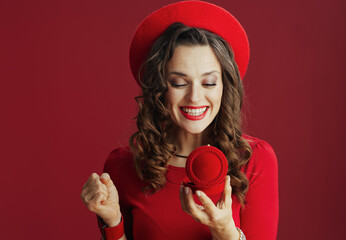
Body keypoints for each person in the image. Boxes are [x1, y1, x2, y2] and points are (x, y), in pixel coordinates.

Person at [80, 1, 279, 240]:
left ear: (225, 87)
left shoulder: (255, 160)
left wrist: (225, 231)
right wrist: (113, 222)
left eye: (208, 83)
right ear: (159, 87)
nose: (195, 97)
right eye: (179, 82)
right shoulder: (122, 166)